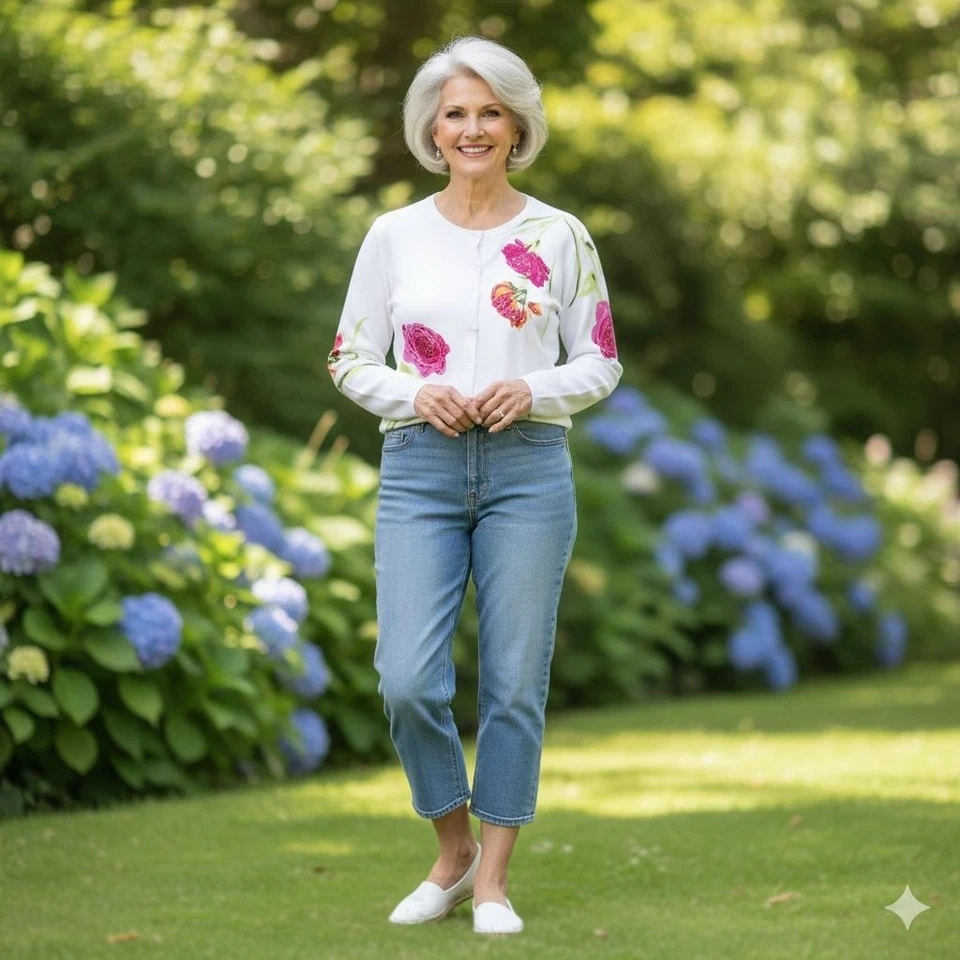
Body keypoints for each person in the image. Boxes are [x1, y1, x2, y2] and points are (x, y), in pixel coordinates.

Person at [327, 35, 623, 936]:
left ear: (517, 126)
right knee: (406, 681)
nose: (472, 128)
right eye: (455, 113)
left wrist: (533, 388)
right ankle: (451, 849)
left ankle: (492, 882)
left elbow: (601, 359)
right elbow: (347, 357)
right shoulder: (394, 235)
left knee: (512, 684)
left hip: (528, 468)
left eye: (490, 112)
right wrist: (415, 392)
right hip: (420, 466)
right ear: (432, 129)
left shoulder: (560, 235)